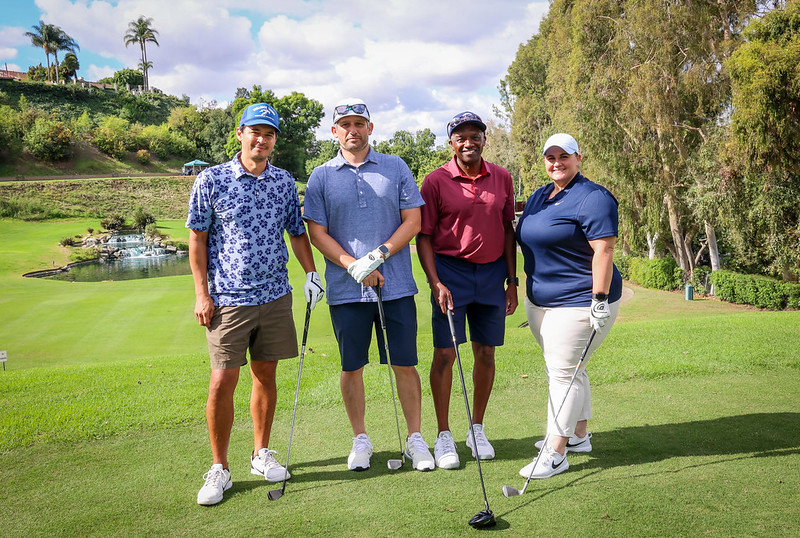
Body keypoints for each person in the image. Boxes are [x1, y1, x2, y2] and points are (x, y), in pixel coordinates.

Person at [187, 103, 325, 505]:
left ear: (275, 140)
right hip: (228, 299)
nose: (261, 139)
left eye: (269, 133)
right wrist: (201, 293)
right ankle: (219, 468)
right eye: (255, 132)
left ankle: (260, 454)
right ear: (240, 134)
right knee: (221, 381)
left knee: (266, 376)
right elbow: (196, 239)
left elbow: (296, 232)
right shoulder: (210, 180)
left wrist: (310, 273)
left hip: (275, 296)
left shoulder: (283, 182)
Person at [303, 98, 435, 472]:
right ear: (334, 132)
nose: (352, 130)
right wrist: (353, 266)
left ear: (370, 128)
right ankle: (360, 438)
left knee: (405, 363)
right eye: (344, 124)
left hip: (396, 287)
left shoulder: (395, 167)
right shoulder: (321, 176)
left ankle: (414, 439)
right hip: (346, 291)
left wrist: (377, 256)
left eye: (359, 123)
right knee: (351, 366)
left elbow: (413, 221)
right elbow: (317, 232)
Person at [515, 132, 622, 479]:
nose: (557, 163)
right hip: (541, 300)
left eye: (564, 156)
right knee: (569, 369)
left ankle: (555, 453)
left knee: (564, 373)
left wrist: (600, 300)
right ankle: (578, 436)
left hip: (580, 299)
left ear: (578, 157)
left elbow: (603, 251)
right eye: (550, 157)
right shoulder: (540, 196)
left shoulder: (593, 197)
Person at [417, 111, 518, 470]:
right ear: (451, 143)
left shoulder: (502, 177)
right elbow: (424, 235)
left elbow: (508, 230)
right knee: (446, 354)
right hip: (450, 272)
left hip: (491, 274)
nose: (468, 142)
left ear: (484, 140)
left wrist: (512, 280)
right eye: (461, 137)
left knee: (486, 353)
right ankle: (444, 433)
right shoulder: (435, 181)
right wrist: (435, 282)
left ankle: (476, 428)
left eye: (474, 136)